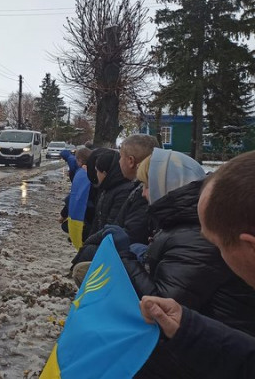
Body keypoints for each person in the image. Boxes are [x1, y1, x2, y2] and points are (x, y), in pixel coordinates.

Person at [105, 149, 255, 377]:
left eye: (218, 245)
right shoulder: (178, 227)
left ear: (250, 247)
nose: (217, 252)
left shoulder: (192, 237)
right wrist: (188, 327)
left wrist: (125, 255)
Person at [71, 148, 149, 282]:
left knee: (89, 252)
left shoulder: (122, 192)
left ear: (105, 172)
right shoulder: (107, 190)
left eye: (97, 171)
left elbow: (115, 227)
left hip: (122, 250)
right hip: (116, 245)